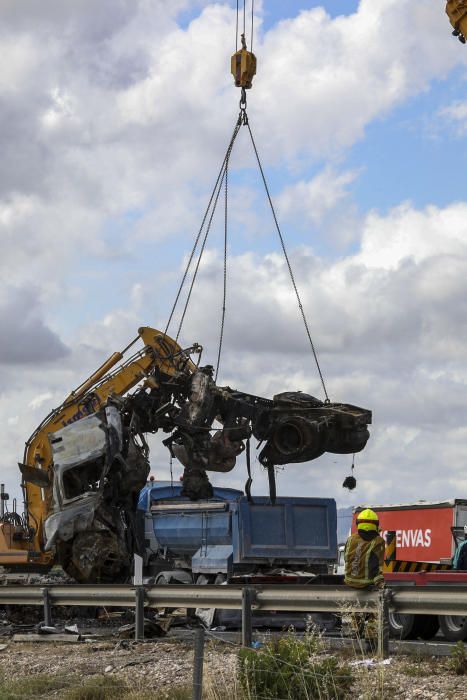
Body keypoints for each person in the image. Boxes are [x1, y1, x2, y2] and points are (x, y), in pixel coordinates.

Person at [344, 508, 385, 589]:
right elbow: (375, 566)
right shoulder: (378, 541)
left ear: (358, 524)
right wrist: (380, 583)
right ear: (376, 525)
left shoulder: (351, 539)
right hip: (366, 584)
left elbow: (347, 559)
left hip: (349, 581)